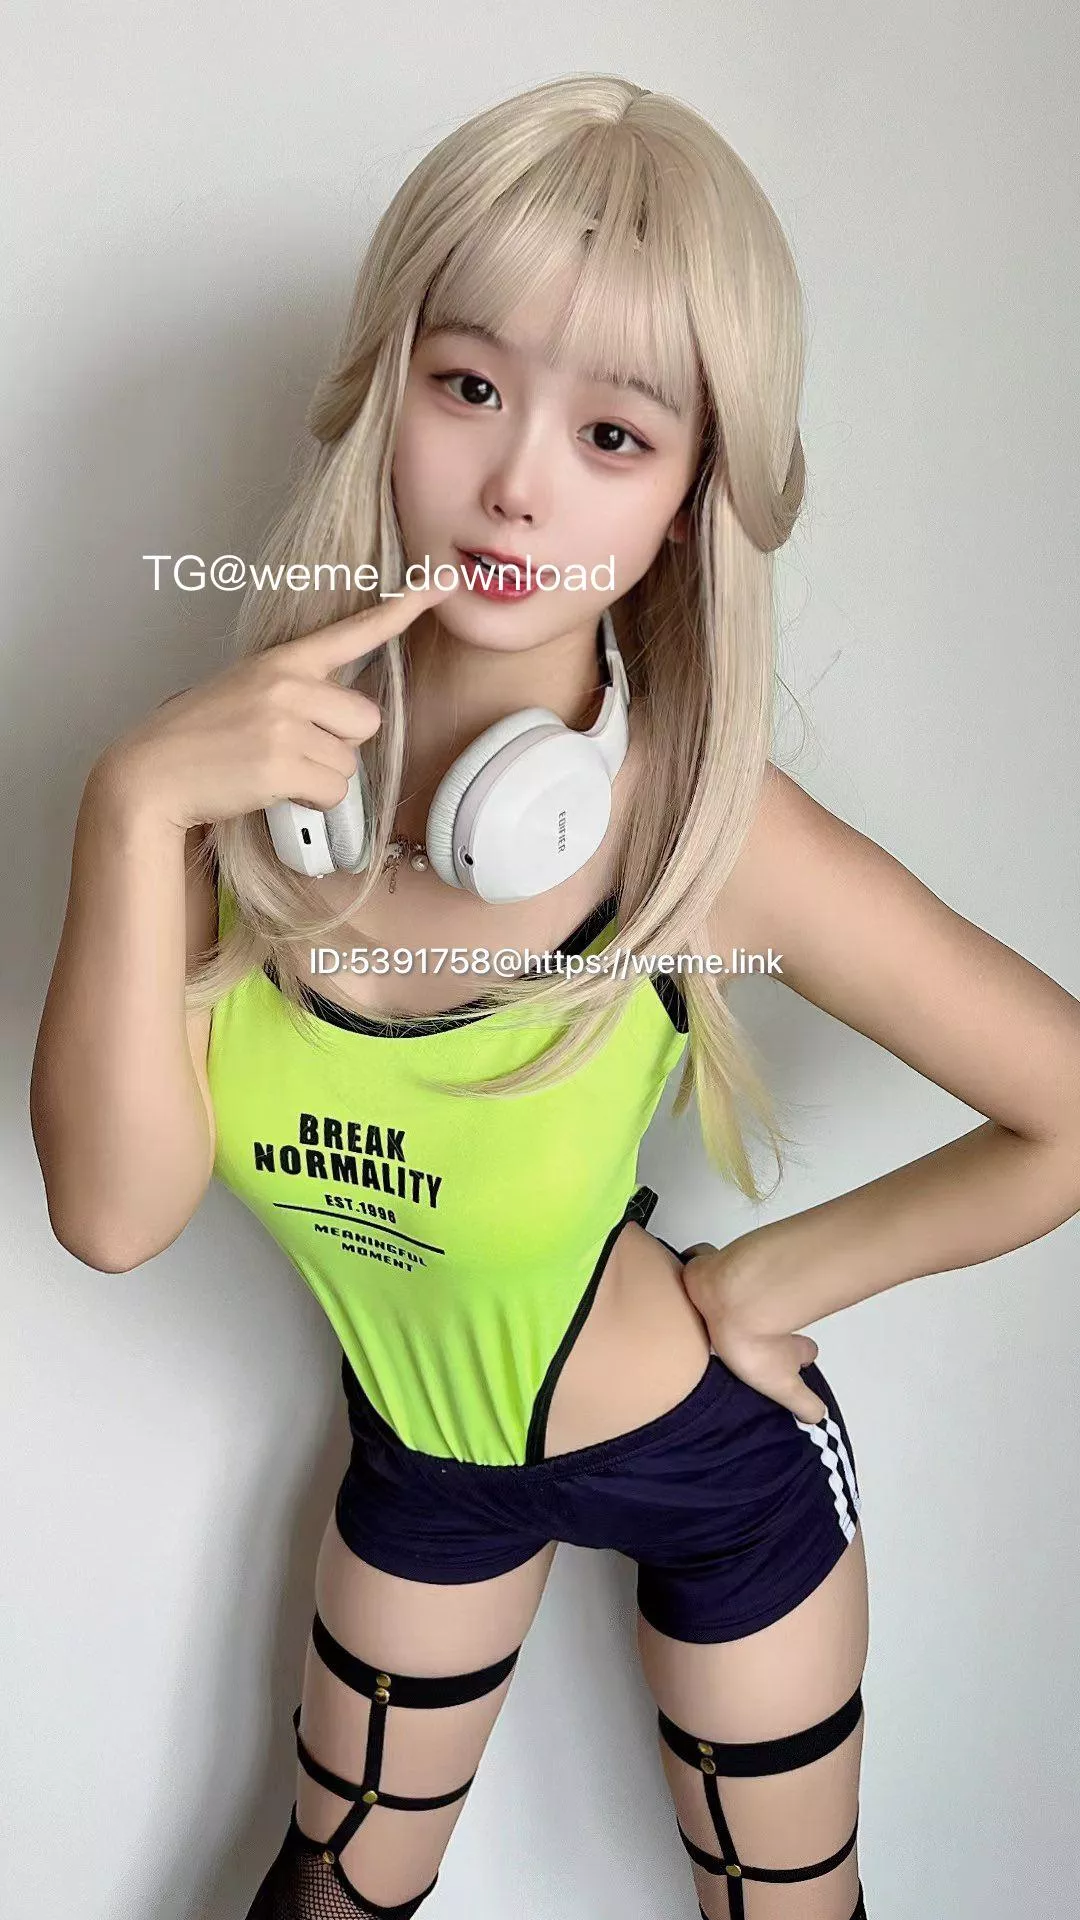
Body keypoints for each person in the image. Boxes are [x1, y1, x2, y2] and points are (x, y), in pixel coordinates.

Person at [30, 75, 1080, 1920]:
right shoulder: (233, 788)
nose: (519, 481)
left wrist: (763, 1285)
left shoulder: (702, 827)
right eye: (469, 386)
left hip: (710, 1470)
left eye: (613, 432)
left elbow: (1064, 1102)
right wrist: (129, 812)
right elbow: (114, 1220)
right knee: (328, 1886)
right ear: (390, 392)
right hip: (426, 1459)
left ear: (686, 501)